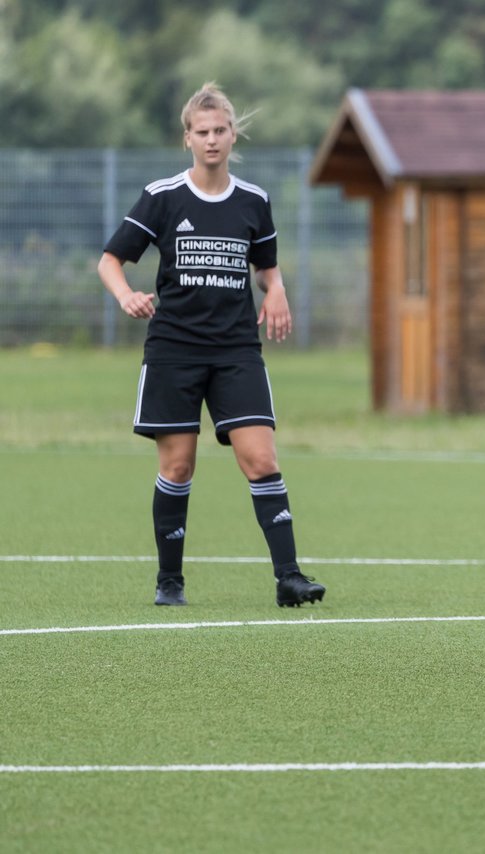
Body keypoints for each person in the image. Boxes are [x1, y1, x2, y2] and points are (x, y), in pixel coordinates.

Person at [96, 82, 325, 608]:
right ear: (188, 139)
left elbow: (268, 269)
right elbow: (110, 260)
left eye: (221, 130)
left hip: (236, 351)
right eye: (203, 132)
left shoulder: (254, 201)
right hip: (174, 350)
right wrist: (126, 294)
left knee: (261, 458)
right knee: (178, 467)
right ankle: (169, 581)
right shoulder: (162, 197)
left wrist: (278, 293)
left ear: (232, 134)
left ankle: (289, 578)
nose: (213, 139)